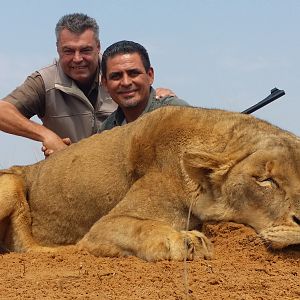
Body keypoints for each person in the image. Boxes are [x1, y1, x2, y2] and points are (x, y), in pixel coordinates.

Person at [0, 13, 174, 157]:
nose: (77, 59)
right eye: (68, 51)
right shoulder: (44, 81)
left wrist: (159, 98)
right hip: (71, 176)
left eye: (85, 50)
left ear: (98, 47)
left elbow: (144, 97)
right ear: (58, 48)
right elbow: (3, 111)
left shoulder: (117, 72)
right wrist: (47, 136)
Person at [100, 40, 189, 131]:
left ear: (150, 75)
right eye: (116, 76)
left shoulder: (177, 112)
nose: (126, 83)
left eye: (133, 73)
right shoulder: (106, 129)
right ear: (105, 83)